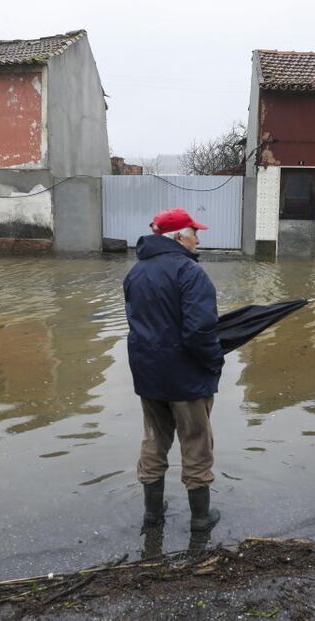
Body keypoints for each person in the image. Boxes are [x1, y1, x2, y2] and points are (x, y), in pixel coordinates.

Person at [123, 207, 224, 534]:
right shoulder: (190, 273)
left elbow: (138, 325)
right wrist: (214, 362)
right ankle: (200, 518)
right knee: (196, 443)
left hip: (149, 376)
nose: (198, 241)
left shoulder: (135, 273)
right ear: (179, 237)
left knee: (154, 440)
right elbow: (199, 332)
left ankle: (152, 515)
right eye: (195, 234)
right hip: (186, 380)